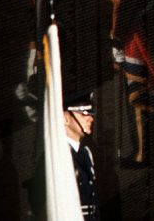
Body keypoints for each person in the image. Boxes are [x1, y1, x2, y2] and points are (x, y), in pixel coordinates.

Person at [29, 89, 101, 221]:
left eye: (90, 113)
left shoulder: (85, 153)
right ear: (65, 119)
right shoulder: (55, 156)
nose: (90, 118)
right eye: (84, 113)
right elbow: (41, 204)